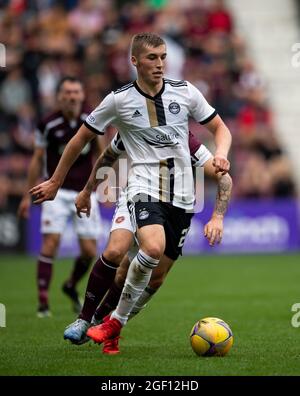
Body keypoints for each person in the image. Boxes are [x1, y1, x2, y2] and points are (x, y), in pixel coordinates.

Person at [30, 33, 231, 341]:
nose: (160, 64)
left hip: (183, 200)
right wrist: (60, 182)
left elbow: (220, 129)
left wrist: (221, 155)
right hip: (141, 189)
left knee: (152, 274)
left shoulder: (185, 96)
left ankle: (105, 321)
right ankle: (89, 320)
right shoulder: (120, 101)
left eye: (163, 57)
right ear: (134, 61)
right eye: (152, 57)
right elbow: (85, 143)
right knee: (131, 250)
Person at [62, 130, 232, 354]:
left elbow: (224, 177)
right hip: (142, 195)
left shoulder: (185, 139)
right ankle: (91, 321)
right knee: (122, 256)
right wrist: (88, 190)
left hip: (178, 208)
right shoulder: (133, 122)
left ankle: (109, 325)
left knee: (154, 277)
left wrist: (217, 217)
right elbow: (106, 156)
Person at [18, 76, 102, 317]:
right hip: (56, 191)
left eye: (76, 92)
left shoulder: (92, 120)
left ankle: (70, 285)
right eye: (67, 92)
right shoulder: (47, 123)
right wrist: (27, 195)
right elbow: (37, 159)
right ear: (59, 96)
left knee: (88, 251)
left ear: (82, 95)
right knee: (50, 243)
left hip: (85, 193)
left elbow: (102, 153)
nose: (72, 96)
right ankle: (43, 301)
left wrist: (102, 186)